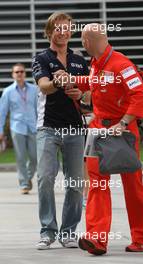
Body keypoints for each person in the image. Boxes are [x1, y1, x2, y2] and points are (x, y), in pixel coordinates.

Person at [58, 23, 143, 255]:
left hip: (123, 132)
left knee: (133, 186)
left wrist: (123, 122)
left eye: (82, 41)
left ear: (88, 42)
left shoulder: (122, 65)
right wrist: (70, 78)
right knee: (98, 184)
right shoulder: (96, 65)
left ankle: (141, 238)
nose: (82, 45)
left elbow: (140, 96)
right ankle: (96, 239)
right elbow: (92, 83)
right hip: (98, 130)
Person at [31, 12, 89, 250]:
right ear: (49, 32)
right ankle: (47, 231)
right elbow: (44, 87)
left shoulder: (79, 61)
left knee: (75, 183)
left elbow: (88, 94)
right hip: (48, 128)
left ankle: (68, 233)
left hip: (75, 129)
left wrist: (80, 94)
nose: (63, 32)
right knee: (45, 179)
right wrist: (58, 82)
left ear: (71, 32)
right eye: (58, 28)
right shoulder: (41, 58)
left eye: (67, 28)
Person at [0, 63, 37, 194]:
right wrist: (0, 131)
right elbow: (2, 113)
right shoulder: (8, 92)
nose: (19, 74)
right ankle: (24, 184)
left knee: (35, 157)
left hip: (33, 127)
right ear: (13, 74)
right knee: (21, 157)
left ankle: (27, 177)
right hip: (17, 128)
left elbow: (39, 109)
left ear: (24, 73)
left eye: (21, 71)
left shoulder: (34, 89)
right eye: (17, 72)